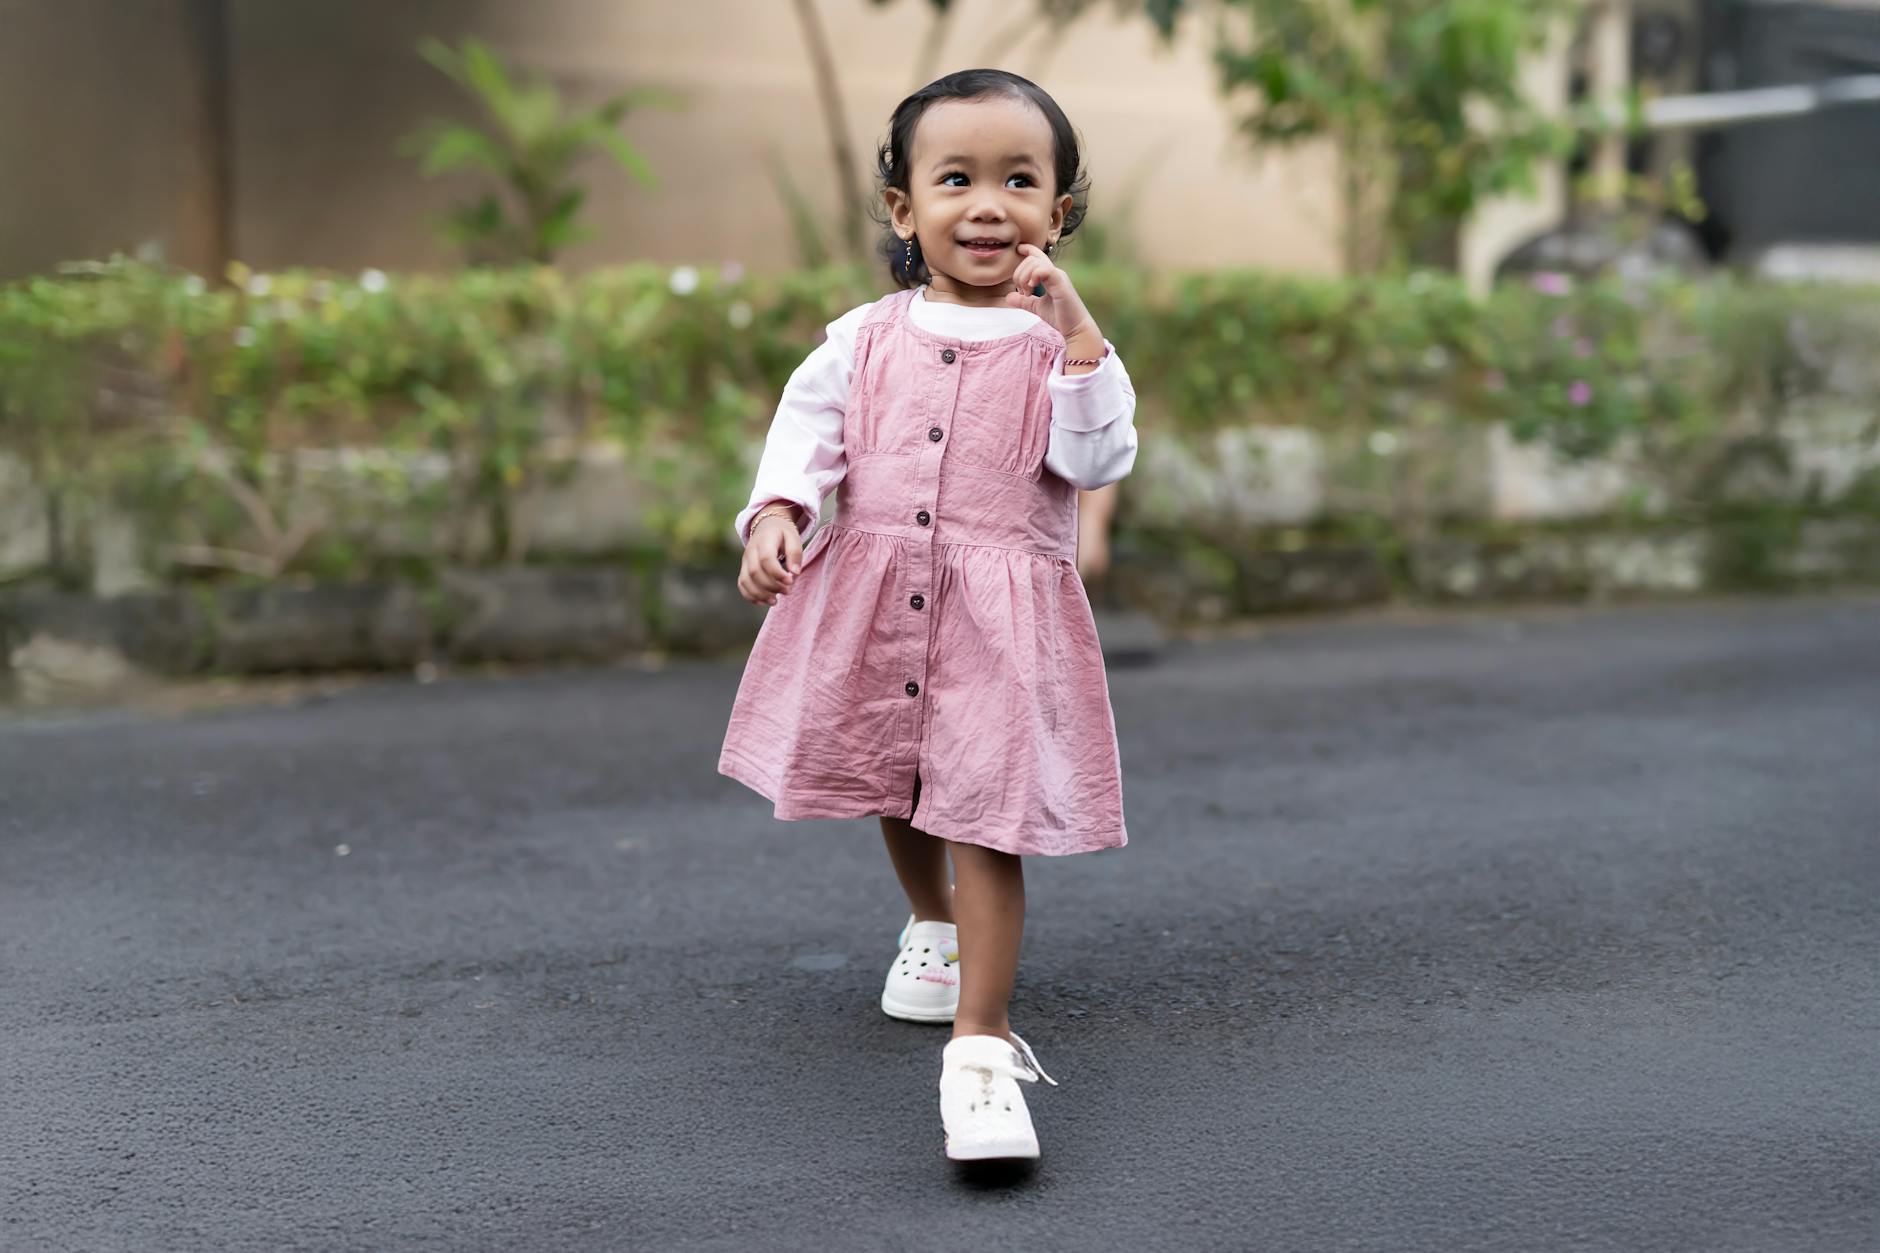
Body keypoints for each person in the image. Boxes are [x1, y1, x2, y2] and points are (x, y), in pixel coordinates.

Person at [717, 68, 1137, 1164]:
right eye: (954, 179)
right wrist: (774, 513)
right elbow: (804, 438)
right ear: (904, 210)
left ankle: (982, 1052)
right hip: (875, 599)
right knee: (893, 777)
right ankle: (932, 925)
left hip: (1000, 619)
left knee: (982, 815)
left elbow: (1098, 459)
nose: (986, 203)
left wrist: (1082, 339)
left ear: (1058, 211)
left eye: (1018, 180)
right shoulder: (858, 337)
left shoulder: (1065, 353)